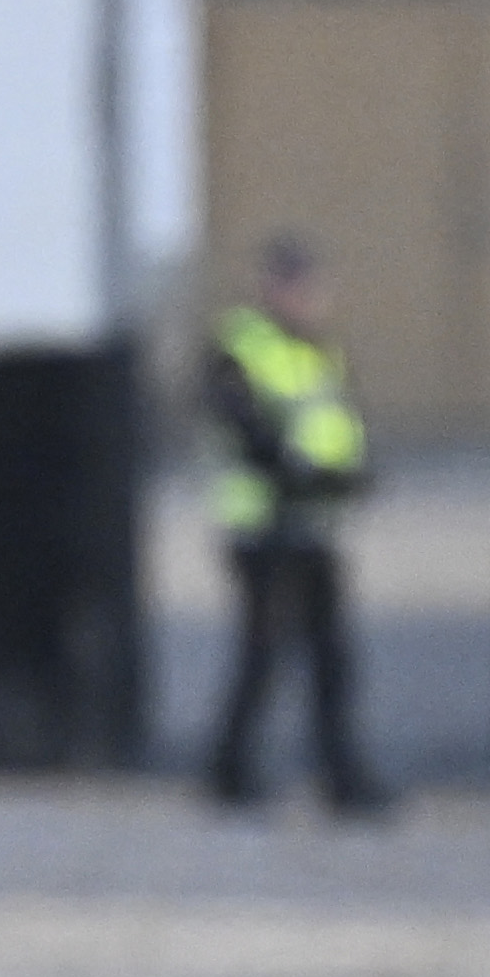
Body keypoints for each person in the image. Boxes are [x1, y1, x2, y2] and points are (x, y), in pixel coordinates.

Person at [199, 237, 388, 815]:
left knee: (331, 660)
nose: (307, 299)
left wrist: (350, 476)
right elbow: (246, 429)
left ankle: (340, 777)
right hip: (264, 527)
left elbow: (336, 424)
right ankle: (231, 772)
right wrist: (304, 474)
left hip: (313, 526)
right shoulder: (241, 346)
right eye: (296, 286)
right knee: (265, 655)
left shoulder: (319, 352)